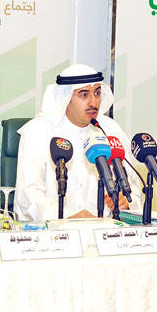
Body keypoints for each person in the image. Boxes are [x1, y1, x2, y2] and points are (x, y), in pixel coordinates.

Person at [15, 63, 143, 221]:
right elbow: (28, 195)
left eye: (97, 93)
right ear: (66, 98)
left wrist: (126, 203)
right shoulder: (37, 131)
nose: (93, 102)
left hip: (105, 229)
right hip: (55, 230)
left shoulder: (110, 129)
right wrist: (70, 217)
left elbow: (133, 189)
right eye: (84, 95)